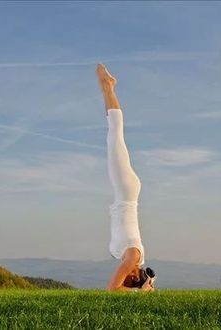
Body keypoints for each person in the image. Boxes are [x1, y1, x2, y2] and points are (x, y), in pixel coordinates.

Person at [96, 64, 155, 292]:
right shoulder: (133, 256)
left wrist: (141, 290)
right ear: (134, 276)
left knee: (114, 138)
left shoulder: (125, 256)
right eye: (129, 281)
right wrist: (141, 292)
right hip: (126, 191)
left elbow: (117, 287)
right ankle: (108, 87)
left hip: (125, 191)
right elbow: (112, 289)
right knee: (115, 136)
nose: (124, 280)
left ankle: (108, 89)